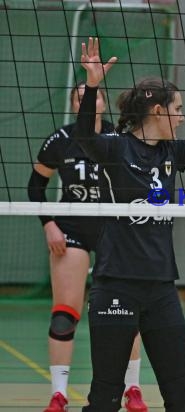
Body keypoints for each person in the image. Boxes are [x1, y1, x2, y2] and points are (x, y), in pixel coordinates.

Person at [73, 37, 185, 411]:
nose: (183, 116)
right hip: (116, 284)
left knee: (183, 396)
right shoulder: (115, 147)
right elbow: (84, 137)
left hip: (160, 289)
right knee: (105, 396)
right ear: (157, 110)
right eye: (178, 108)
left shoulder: (174, 152)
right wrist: (91, 87)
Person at [28, 82, 148, 412]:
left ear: (104, 103)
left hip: (114, 230)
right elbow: (36, 184)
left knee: (127, 311)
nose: (87, 100)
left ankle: (133, 389)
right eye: (79, 97)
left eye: (92, 95)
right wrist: (48, 223)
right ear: (73, 105)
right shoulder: (60, 140)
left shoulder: (120, 138)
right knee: (64, 316)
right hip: (72, 229)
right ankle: (59, 394)